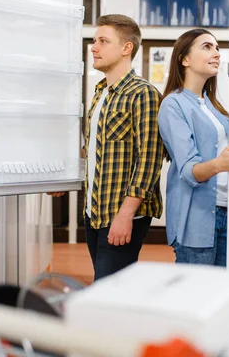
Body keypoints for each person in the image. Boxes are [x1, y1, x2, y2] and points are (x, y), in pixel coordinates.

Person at [50, 14, 164, 280]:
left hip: (122, 213)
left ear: (127, 48)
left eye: (103, 41)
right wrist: (65, 178)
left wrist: (125, 215)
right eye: (94, 41)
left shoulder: (142, 93)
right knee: (106, 287)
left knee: (110, 292)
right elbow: (93, 151)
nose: (94, 47)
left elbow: (149, 159)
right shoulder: (101, 92)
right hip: (95, 212)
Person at [157, 28, 229, 267]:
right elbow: (188, 170)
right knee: (194, 298)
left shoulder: (213, 105)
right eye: (207, 47)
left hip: (228, 212)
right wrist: (220, 164)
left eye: (217, 48)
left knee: (220, 297)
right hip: (196, 219)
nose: (216, 53)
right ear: (184, 59)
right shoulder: (173, 104)